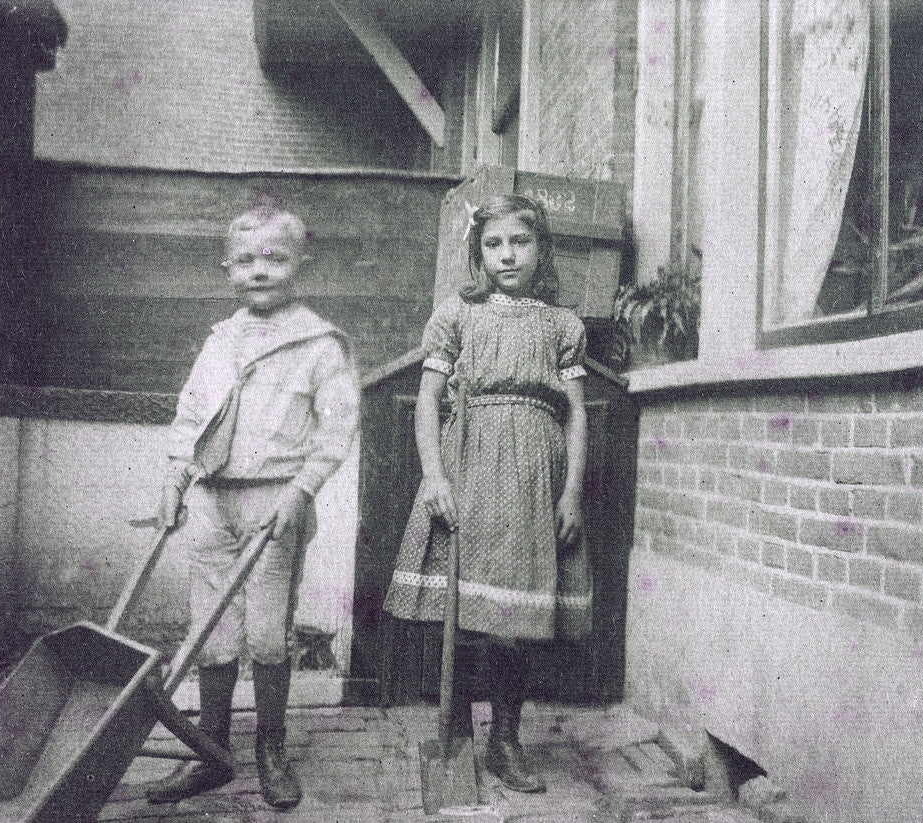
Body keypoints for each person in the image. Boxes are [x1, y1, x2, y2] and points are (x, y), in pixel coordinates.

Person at [143, 206, 360, 809]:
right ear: (226, 268)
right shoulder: (220, 340)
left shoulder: (319, 343)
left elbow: (336, 428)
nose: (259, 271)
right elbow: (192, 413)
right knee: (210, 629)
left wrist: (302, 490)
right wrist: (174, 475)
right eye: (245, 260)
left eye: (275, 258)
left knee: (267, 633)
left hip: (274, 501)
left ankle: (271, 746)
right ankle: (210, 751)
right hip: (213, 498)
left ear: (301, 264)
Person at [383, 194, 592, 793]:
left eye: (519, 242)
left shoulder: (563, 326)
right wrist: (433, 475)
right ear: (478, 254)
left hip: (534, 476)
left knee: (515, 615)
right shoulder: (457, 316)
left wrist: (572, 491)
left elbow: (576, 415)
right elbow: (428, 399)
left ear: (541, 249)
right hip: (469, 463)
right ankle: (454, 728)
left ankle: (505, 737)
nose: (507, 255)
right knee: (463, 606)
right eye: (493, 244)